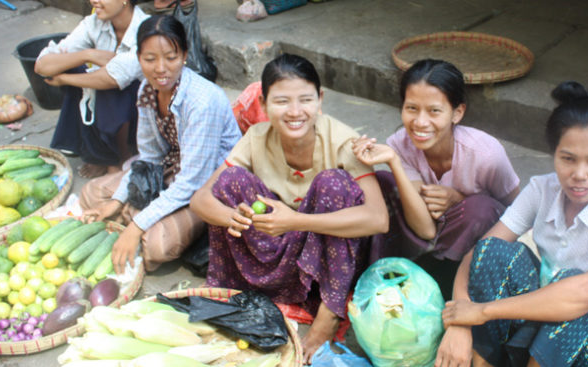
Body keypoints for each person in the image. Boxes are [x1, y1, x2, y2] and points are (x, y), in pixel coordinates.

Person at [190, 53, 389, 363]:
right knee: (231, 180)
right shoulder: (256, 137)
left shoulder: (343, 141)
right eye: (282, 101)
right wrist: (235, 217)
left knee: (334, 184)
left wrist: (296, 220)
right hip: (280, 251)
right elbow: (201, 200)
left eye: (305, 100)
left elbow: (378, 219)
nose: (295, 112)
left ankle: (328, 315)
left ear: (320, 100)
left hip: (331, 262)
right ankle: (230, 292)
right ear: (265, 104)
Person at [437, 81, 588, 367]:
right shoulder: (541, 189)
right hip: (543, 307)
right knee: (491, 252)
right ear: (554, 152)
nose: (579, 174)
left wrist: (483, 311)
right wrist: (461, 323)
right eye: (568, 159)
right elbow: (477, 255)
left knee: (573, 285)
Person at [80, 15, 241, 273]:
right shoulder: (147, 89)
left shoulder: (202, 101)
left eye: (170, 57)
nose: (160, 69)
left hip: (208, 186)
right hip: (172, 170)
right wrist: (118, 200)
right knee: (92, 194)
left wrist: (136, 225)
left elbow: (192, 182)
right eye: (150, 59)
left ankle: (137, 221)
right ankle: (135, 217)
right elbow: (149, 157)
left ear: (185, 55)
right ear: (139, 58)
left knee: (157, 245)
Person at [352, 59, 520, 299]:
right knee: (382, 181)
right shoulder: (399, 144)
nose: (420, 122)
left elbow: (517, 211)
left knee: (480, 209)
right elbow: (425, 229)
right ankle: (390, 276)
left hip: (466, 251)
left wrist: (461, 200)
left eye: (434, 111)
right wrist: (394, 163)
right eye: (411, 108)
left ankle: (446, 290)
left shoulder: (486, 154)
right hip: (421, 239)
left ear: (457, 113)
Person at [35, 0, 149, 178]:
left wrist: (65, 79)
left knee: (108, 84)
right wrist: (87, 55)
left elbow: (114, 78)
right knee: (73, 67)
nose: (94, 1)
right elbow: (42, 66)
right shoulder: (94, 22)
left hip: (142, 112)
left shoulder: (146, 29)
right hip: (109, 102)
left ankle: (119, 155)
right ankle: (100, 155)